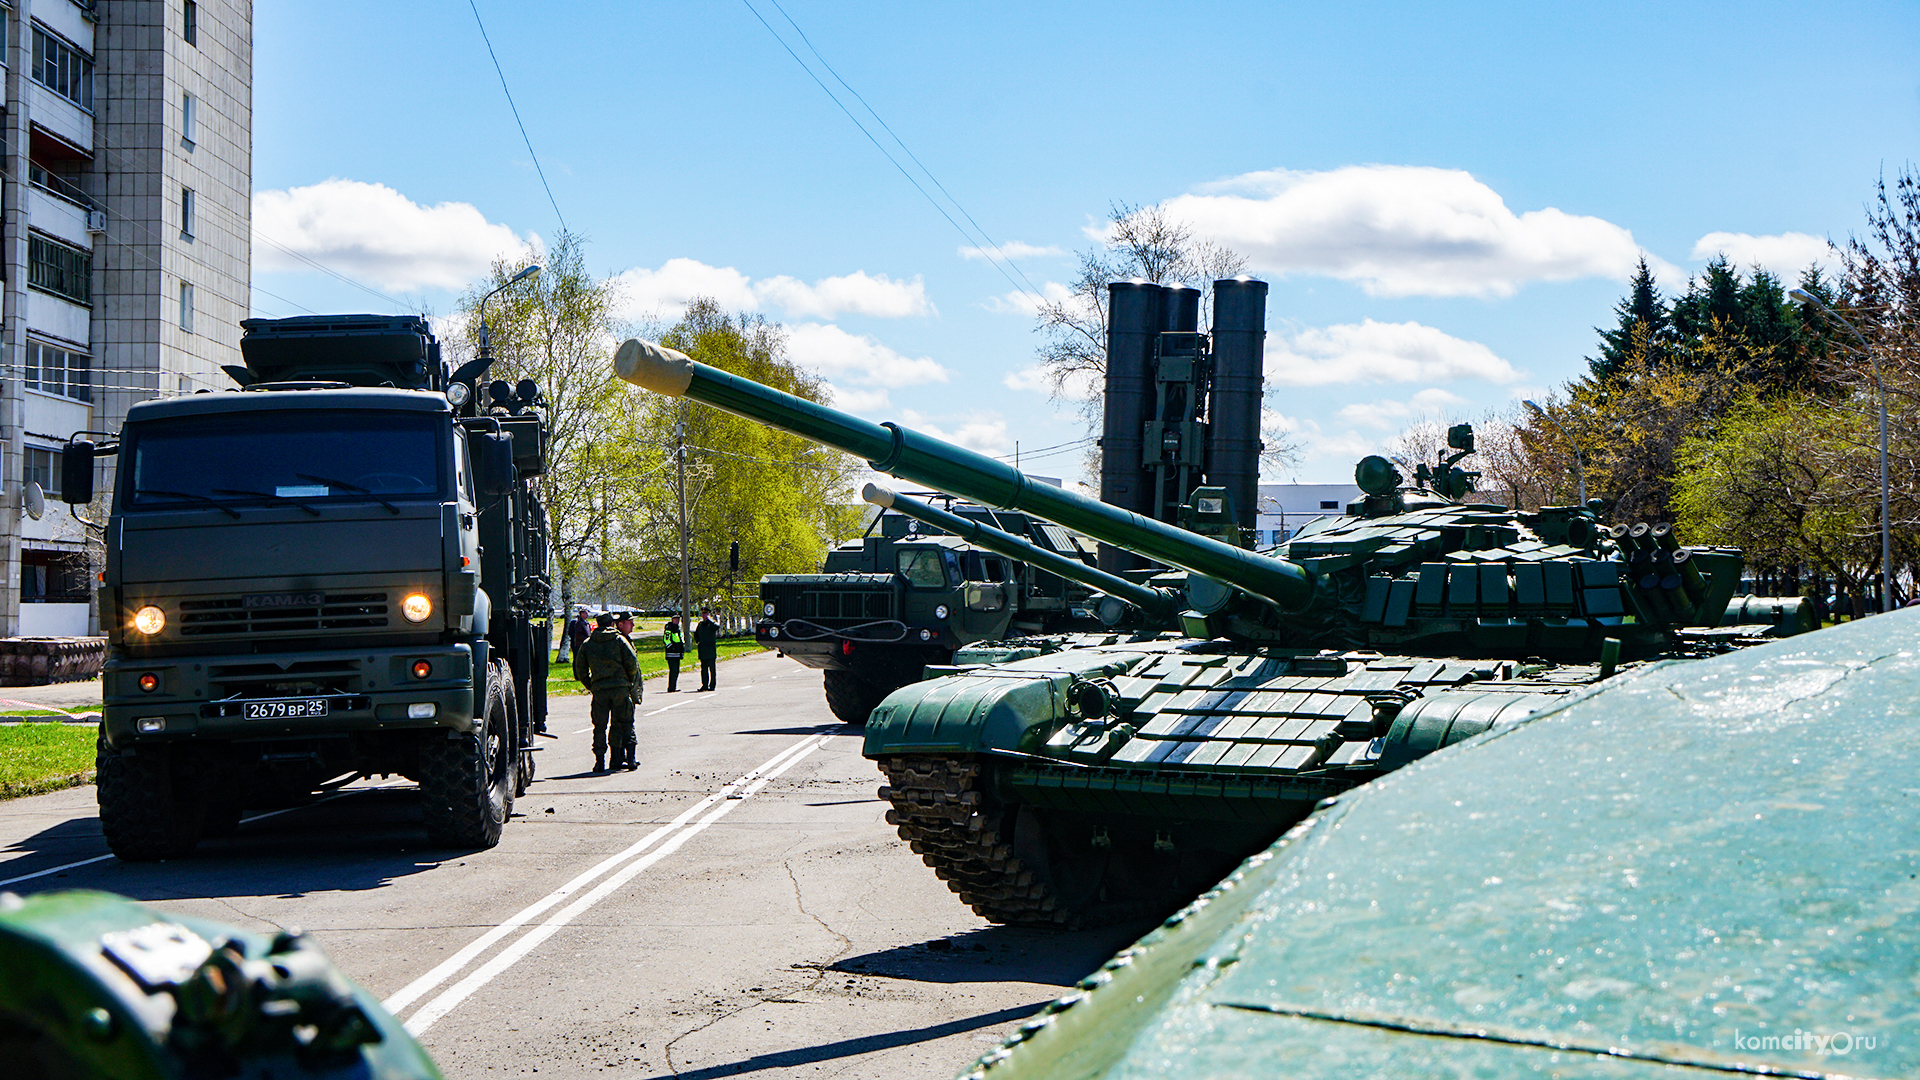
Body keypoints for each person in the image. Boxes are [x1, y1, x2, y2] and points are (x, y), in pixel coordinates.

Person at [572, 612, 639, 772]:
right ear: (611, 624)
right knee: (626, 722)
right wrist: (628, 681)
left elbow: (580, 668)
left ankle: (599, 761)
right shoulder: (619, 640)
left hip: (600, 690)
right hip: (620, 689)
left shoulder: (588, 643)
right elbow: (632, 662)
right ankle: (630, 759)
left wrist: (591, 684)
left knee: (599, 726)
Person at [694, 608, 720, 691]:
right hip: (702, 650)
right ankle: (704, 685)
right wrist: (698, 641)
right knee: (704, 669)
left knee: (712, 669)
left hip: (710, 650)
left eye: (706, 614)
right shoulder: (701, 625)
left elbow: (717, 627)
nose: (704, 616)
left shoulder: (711, 624)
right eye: (703, 614)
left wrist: (710, 620)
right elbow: (696, 634)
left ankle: (712, 686)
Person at [661, 615, 685, 692]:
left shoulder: (678, 628)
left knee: (676, 671)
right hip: (671, 653)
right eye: (675, 619)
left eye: (678, 619)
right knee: (673, 670)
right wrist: (672, 647)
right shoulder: (669, 628)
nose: (677, 621)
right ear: (672, 620)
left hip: (677, 653)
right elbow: (666, 639)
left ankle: (673, 687)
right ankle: (671, 687)